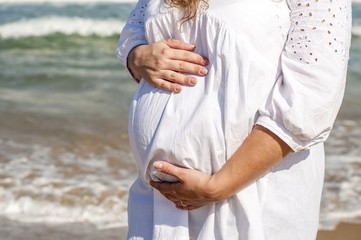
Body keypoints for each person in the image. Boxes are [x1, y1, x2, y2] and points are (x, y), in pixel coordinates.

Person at [116, 0, 352, 239]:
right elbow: (135, 29)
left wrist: (219, 185)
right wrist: (137, 56)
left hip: (252, 198)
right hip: (155, 203)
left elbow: (312, 96)